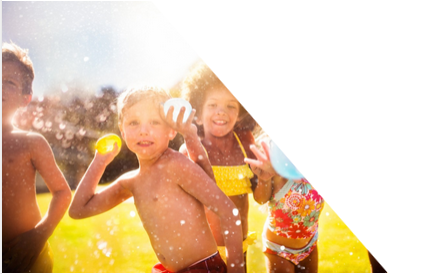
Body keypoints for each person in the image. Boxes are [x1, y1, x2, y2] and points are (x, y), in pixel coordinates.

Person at [68, 87, 245, 273]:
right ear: (122, 130)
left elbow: (229, 212)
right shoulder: (131, 182)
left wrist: (236, 270)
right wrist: (99, 162)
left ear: (171, 130)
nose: (144, 131)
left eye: (154, 122)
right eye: (134, 122)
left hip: (203, 268)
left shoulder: (175, 165)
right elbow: (79, 209)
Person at [2, 42, 72, 273]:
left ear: (25, 98)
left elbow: (62, 193)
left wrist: (39, 235)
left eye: (8, 82)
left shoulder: (31, 142)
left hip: (29, 255)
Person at [181, 63, 258, 270]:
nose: (221, 112)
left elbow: (261, 195)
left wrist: (266, 176)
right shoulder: (190, 149)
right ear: (197, 112)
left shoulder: (246, 142)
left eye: (231, 105)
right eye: (212, 105)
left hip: (239, 247)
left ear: (241, 112)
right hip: (204, 253)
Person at [245, 138, 324, 273]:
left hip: (310, 244)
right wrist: (265, 179)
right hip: (278, 250)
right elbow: (261, 199)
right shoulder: (278, 171)